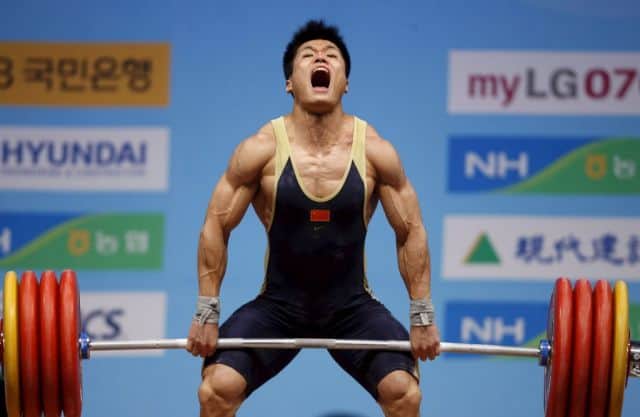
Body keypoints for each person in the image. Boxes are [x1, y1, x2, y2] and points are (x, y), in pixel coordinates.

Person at [186, 19, 441, 417]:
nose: (320, 57)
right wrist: (206, 312)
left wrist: (421, 315)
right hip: (278, 308)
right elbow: (216, 225)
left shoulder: (375, 151)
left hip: (352, 309)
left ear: (345, 83)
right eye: (308, 55)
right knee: (216, 390)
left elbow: (410, 231)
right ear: (290, 82)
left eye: (331, 56)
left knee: (403, 393)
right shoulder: (260, 149)